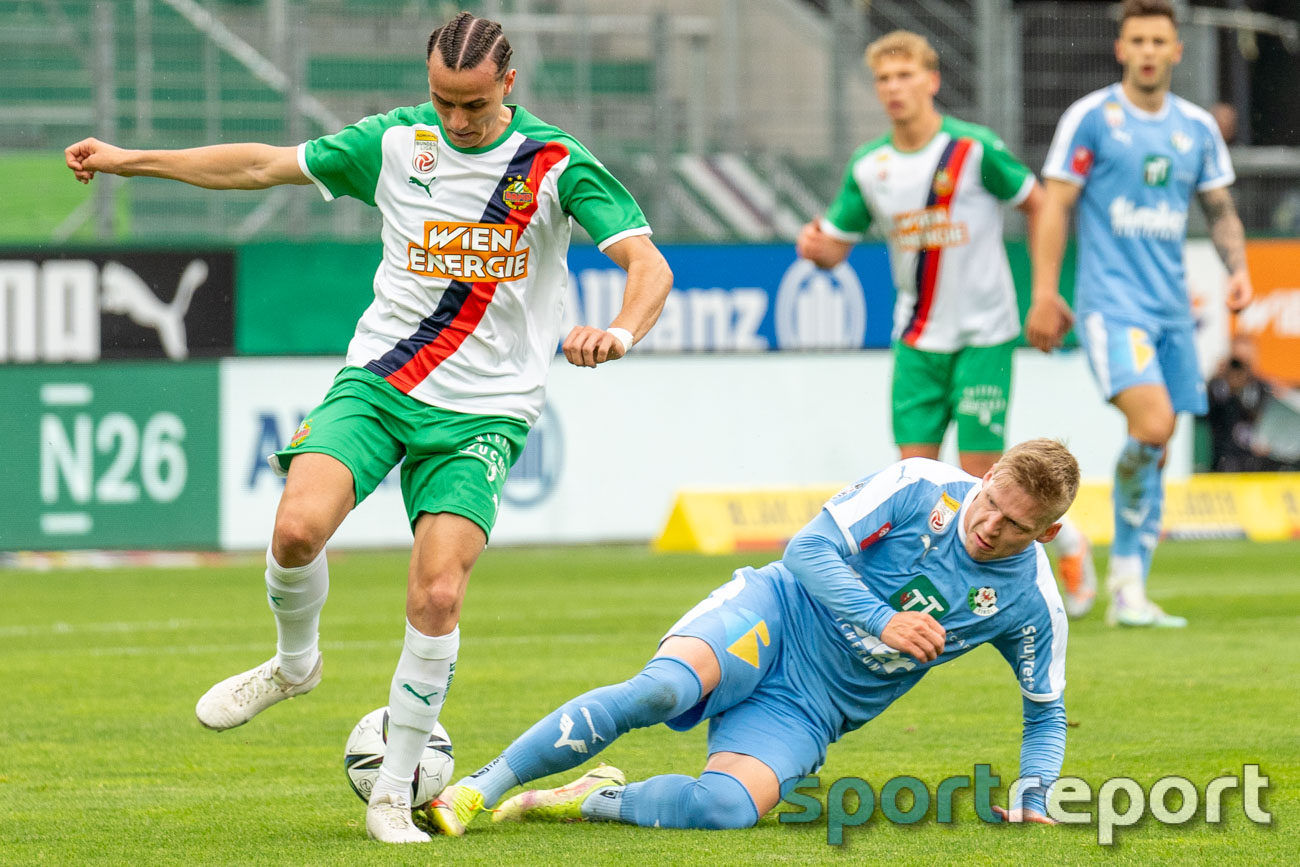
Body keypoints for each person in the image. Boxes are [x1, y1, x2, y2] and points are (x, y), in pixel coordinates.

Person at [65, 11, 672, 844]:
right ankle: (293, 663)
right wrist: (130, 159)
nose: (455, 121)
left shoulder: (555, 164)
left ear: (509, 84)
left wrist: (622, 332)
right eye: (441, 101)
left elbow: (649, 264)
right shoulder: (394, 145)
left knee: (437, 590)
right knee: (294, 530)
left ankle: (393, 792)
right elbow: (258, 166)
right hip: (384, 379)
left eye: (472, 104)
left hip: (486, 410)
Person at [426, 439, 1078, 834]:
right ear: (988, 475)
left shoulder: (1032, 602)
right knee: (663, 689)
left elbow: (1046, 712)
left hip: (811, 706)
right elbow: (809, 549)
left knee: (726, 810)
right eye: (991, 501)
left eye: (1017, 524)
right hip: (774, 613)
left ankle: (587, 799)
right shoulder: (919, 484)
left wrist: (1033, 794)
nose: (990, 524)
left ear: (1046, 532)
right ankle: (478, 787)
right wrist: (885, 620)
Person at [794, 30, 1097, 619]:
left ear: (932, 80)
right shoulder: (871, 166)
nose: (894, 88)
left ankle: (1069, 543)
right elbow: (835, 242)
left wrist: (1044, 294)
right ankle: (922, 596)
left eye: (906, 75)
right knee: (921, 480)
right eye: (884, 79)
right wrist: (816, 248)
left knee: (984, 477)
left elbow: (1041, 204)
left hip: (985, 332)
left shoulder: (973, 149)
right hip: (915, 338)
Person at [1027, 0, 1252, 628]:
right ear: (1122, 49)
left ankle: (1130, 587)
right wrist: (1046, 292)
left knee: (1158, 442)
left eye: (1160, 40)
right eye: (1138, 41)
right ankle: (1113, 561)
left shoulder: (1197, 128)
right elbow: (1055, 206)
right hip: (1111, 307)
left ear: (1176, 51)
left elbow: (1220, 208)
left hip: (1172, 312)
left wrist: (1238, 270)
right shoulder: (1091, 119)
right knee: (1152, 426)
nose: (1149, 51)